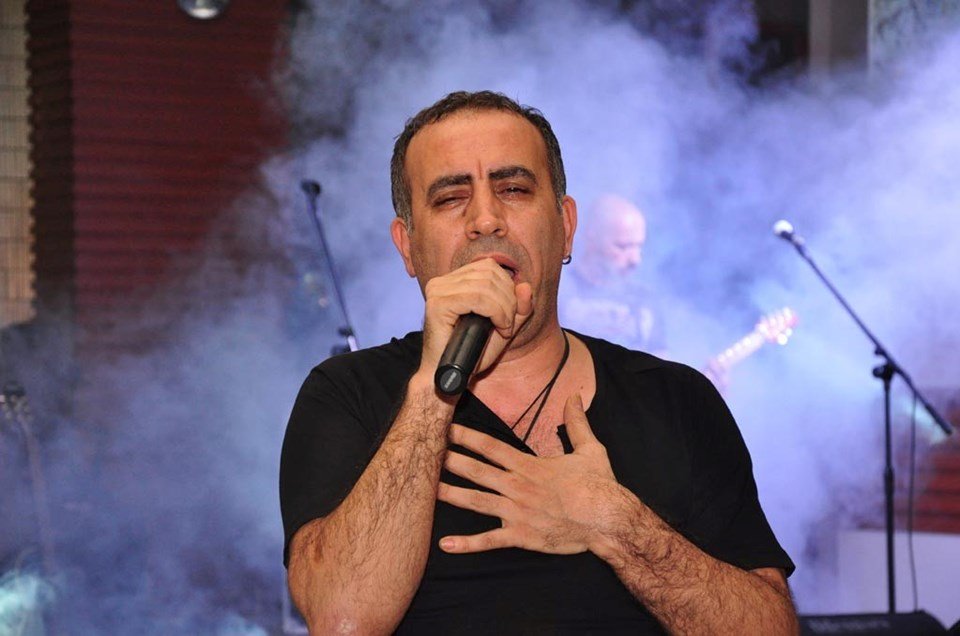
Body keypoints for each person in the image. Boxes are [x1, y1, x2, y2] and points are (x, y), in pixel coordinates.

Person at [280, 90, 797, 634]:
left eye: (513, 189)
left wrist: (617, 525)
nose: (486, 219)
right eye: (451, 198)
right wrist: (433, 392)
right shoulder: (346, 393)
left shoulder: (676, 399)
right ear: (407, 246)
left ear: (566, 226)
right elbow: (342, 621)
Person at [558, 194, 666, 356]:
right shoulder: (558, 293)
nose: (635, 259)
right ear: (592, 237)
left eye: (638, 246)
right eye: (623, 246)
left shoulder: (645, 301)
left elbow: (661, 364)